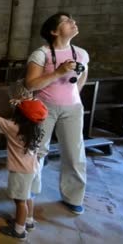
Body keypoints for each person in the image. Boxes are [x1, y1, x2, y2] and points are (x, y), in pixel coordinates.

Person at [24, 12, 89, 215]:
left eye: (72, 19)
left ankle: (74, 196)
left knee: (74, 153)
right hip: (45, 107)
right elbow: (31, 84)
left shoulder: (81, 53)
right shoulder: (41, 53)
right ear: (54, 31)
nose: (73, 22)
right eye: (66, 21)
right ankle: (31, 191)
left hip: (72, 109)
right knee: (38, 150)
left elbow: (82, 76)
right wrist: (58, 73)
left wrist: (72, 96)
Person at [0, 91, 47, 241]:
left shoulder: (13, 127)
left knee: (20, 201)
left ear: (20, 115)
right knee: (29, 196)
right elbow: (31, 109)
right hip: (33, 168)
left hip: (21, 171)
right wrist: (20, 102)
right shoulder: (36, 127)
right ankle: (28, 221)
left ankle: (19, 230)